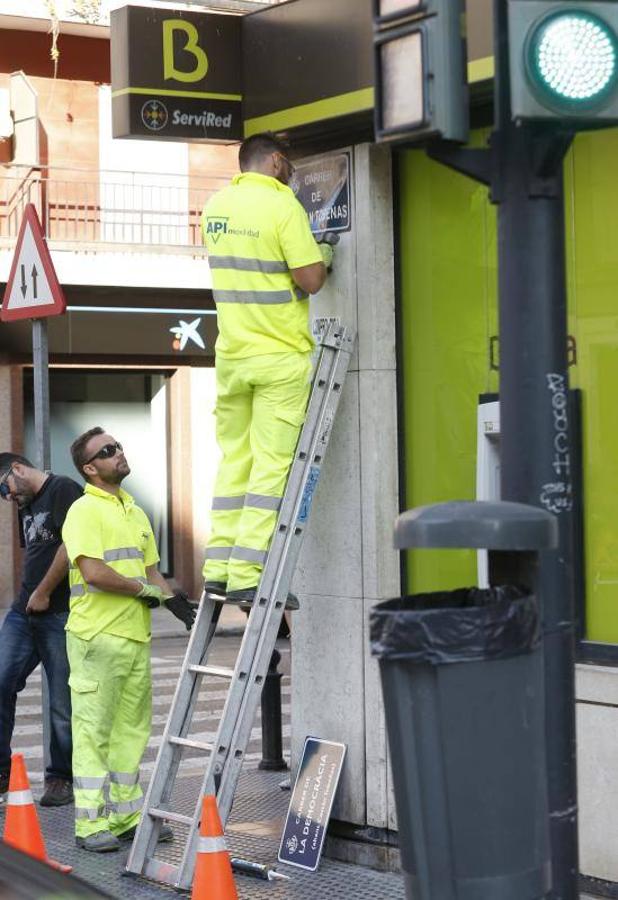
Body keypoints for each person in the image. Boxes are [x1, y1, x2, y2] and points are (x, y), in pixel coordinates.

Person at [201, 132, 333, 606]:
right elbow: (311, 279)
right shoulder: (283, 208)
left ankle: (217, 566)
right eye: (290, 164)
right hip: (278, 356)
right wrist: (326, 253)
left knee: (235, 460)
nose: (292, 172)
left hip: (232, 356)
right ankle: (248, 574)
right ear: (277, 161)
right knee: (271, 468)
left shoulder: (216, 207)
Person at [62, 427, 196, 853]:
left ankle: (125, 818)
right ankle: (90, 825)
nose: (118, 453)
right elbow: (94, 573)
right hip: (95, 638)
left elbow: (152, 571)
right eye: (107, 451)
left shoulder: (135, 512)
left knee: (131, 734)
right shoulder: (83, 510)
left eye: (118, 446)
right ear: (90, 468)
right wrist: (146, 593)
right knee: (93, 734)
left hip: (135, 637)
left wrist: (173, 601)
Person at [0, 452, 82, 808]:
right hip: (24, 612)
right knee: (0, 682)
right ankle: (2, 775)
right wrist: (29, 594)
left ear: (16, 469)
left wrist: (45, 592)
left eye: (5, 488)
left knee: (62, 700)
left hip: (58, 613)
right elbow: (35, 551)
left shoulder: (64, 489)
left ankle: (60, 779)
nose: (8, 498)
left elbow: (71, 546)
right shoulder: (25, 503)